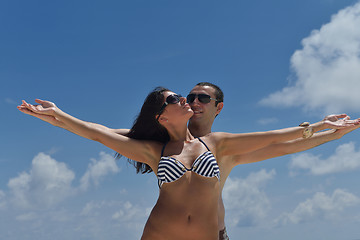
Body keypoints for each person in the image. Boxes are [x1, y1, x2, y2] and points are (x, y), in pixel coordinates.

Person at [17, 87, 360, 240]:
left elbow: (273, 138)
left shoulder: (217, 144)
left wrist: (325, 127)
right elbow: (96, 134)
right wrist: (57, 115)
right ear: (161, 115)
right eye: (175, 99)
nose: (186, 100)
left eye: (194, 98)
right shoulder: (155, 150)